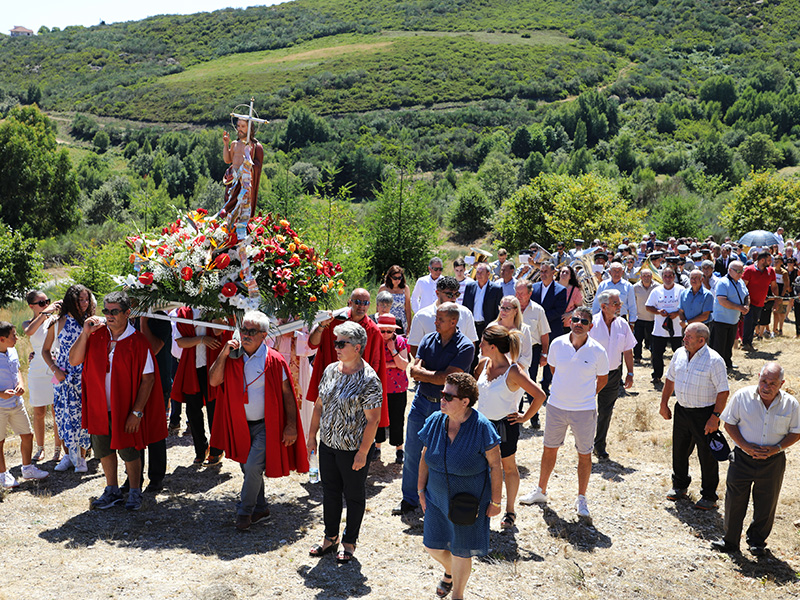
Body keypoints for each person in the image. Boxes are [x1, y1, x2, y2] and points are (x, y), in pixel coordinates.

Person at [209, 311, 307, 530]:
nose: (245, 335)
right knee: (247, 468)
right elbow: (214, 381)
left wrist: (291, 425)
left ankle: (244, 512)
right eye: (243, 329)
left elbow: (287, 394)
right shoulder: (233, 356)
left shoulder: (274, 360)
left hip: (266, 425)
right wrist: (224, 354)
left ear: (264, 335)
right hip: (240, 424)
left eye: (252, 331)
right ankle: (261, 507)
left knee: (253, 466)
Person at [70, 291, 167, 511]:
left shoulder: (138, 341)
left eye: (115, 311)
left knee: (129, 450)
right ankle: (112, 489)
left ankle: (134, 492)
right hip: (99, 406)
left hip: (125, 408)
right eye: (106, 311)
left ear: (127, 313)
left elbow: (148, 379)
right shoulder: (96, 336)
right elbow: (74, 359)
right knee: (103, 449)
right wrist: (84, 334)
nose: (110, 315)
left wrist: (137, 412)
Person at [519, 307, 609, 522]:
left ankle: (581, 498)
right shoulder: (558, 344)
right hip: (556, 407)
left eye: (583, 321)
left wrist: (585, 395)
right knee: (549, 449)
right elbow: (552, 369)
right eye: (575, 319)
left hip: (584, 410)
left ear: (591, 326)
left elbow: (602, 380)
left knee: (584, 454)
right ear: (569, 321)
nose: (578, 323)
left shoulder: (598, 351)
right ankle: (541, 490)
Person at [417, 372, 502, 600]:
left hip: (469, 501)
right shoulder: (435, 420)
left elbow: (496, 466)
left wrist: (496, 501)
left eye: (448, 395)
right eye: (442, 393)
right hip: (436, 497)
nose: (441, 398)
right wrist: (420, 490)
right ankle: (449, 571)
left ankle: (458, 595)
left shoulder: (482, 427)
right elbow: (424, 456)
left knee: (461, 550)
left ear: (465, 402)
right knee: (433, 546)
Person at [306, 321, 382, 564]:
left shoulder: (369, 379)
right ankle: (330, 538)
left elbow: (373, 420)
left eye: (342, 343)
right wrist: (311, 437)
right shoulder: (330, 370)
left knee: (354, 495)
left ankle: (349, 542)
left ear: (358, 347)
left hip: (352, 450)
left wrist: (363, 452)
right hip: (328, 445)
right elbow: (318, 405)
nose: (336, 347)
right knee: (329, 492)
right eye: (335, 342)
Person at [711, 363, 800, 556]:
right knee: (734, 500)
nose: (766, 387)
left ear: (782, 383)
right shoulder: (742, 397)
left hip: (773, 462)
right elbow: (729, 424)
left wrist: (776, 448)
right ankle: (730, 541)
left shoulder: (791, 404)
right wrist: (744, 445)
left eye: (772, 383)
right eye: (763, 381)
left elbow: (796, 432)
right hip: (742, 458)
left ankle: (757, 542)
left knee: (767, 503)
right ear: (758, 377)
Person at [394, 303, 475, 516]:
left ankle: (436, 500)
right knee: (412, 450)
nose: (435, 322)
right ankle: (409, 499)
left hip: (446, 408)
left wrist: (426, 375)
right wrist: (431, 375)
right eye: (436, 318)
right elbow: (414, 369)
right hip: (421, 402)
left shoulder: (466, 347)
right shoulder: (428, 339)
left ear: (453, 322)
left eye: (440, 319)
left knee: (442, 454)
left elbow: (447, 379)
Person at [474, 326, 546, 530]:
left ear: (494, 347)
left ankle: (510, 510)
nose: (480, 346)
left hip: (504, 427)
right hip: (481, 425)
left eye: (483, 343)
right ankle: (484, 506)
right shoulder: (483, 363)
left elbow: (539, 395)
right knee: (481, 468)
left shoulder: (513, 371)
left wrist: (524, 417)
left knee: (508, 467)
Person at [659, 323, 729, 511]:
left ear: (701, 340)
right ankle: (680, 486)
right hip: (682, 411)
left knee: (707, 455)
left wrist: (714, 417)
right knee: (679, 451)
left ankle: (709, 496)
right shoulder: (679, 354)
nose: (684, 339)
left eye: (688, 336)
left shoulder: (714, 360)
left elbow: (723, 392)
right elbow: (670, 379)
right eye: (685, 335)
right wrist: (664, 403)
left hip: (704, 414)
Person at [308, 289, 389, 437]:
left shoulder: (373, 330)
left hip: (356, 391)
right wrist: (321, 325)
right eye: (357, 302)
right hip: (333, 384)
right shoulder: (335, 323)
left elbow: (376, 364)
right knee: (330, 427)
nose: (361, 306)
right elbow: (312, 344)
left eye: (365, 303)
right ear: (350, 302)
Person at [41, 284, 94, 473]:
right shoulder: (58, 322)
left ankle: (81, 457)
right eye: (80, 299)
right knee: (64, 417)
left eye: (86, 299)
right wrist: (55, 369)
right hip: (64, 376)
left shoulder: (91, 321)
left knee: (82, 418)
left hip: (86, 376)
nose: (85, 303)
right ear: (71, 300)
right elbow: (44, 350)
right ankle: (68, 455)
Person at [170, 306, 224, 466]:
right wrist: (202, 340)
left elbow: (218, 331)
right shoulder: (181, 313)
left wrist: (214, 308)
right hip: (191, 366)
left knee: (214, 408)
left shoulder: (215, 307)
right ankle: (201, 449)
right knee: (193, 410)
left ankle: (217, 450)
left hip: (213, 364)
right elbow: (180, 342)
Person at [0, 321, 49, 487]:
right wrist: (1, 394)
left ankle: (27, 469)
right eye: (13, 335)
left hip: (17, 403)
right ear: (1, 339)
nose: (16, 338)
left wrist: (21, 384)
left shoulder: (12, 351)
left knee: (27, 435)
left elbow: (18, 370)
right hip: (0, 407)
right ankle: (2, 475)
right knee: (0, 441)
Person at [589, 290, 636, 461]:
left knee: (606, 411)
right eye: (616, 304)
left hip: (613, 374)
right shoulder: (591, 324)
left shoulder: (622, 324)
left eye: (620, 303)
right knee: (587, 410)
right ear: (603, 306)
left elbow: (628, 350)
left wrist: (630, 373)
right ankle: (585, 443)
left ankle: (599, 445)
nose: (619, 306)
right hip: (591, 374)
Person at [22, 291, 62, 462]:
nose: (46, 305)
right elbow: (30, 332)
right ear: (31, 306)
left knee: (56, 410)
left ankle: (58, 448)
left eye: (47, 301)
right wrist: (46, 312)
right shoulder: (28, 322)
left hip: (55, 366)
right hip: (38, 369)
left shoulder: (55, 320)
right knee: (39, 411)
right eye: (41, 303)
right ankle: (40, 448)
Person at [407, 276, 479, 357]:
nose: (454, 298)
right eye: (449, 294)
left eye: (457, 294)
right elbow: (414, 347)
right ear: (437, 293)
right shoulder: (421, 316)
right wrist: (427, 366)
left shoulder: (465, 313)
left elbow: (471, 343)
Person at [376, 315, 410, 464]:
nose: (385, 335)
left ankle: (399, 448)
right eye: (382, 331)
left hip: (397, 388)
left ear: (394, 331)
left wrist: (393, 351)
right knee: (377, 418)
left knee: (397, 418)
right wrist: (392, 364)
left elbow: (403, 365)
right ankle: (377, 447)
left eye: (388, 331)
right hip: (379, 387)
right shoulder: (374, 341)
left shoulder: (400, 342)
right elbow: (373, 364)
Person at [531, 261, 567, 395]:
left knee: (550, 357)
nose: (543, 274)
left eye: (546, 271)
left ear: (553, 273)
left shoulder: (560, 290)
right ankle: (530, 384)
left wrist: (540, 317)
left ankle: (546, 384)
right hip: (535, 331)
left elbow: (559, 310)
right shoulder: (534, 288)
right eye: (541, 271)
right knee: (534, 357)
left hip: (552, 329)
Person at [645, 267, 684, 384]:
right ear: (662, 278)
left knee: (679, 354)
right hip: (659, 329)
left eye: (670, 276)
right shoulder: (656, 291)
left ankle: (679, 376)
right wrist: (658, 312)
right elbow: (648, 306)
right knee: (656, 354)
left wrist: (677, 313)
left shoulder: (681, 290)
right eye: (665, 276)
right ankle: (656, 375)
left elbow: (686, 306)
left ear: (674, 277)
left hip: (677, 330)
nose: (668, 278)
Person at [222, 116, 264, 219]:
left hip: (244, 183)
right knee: (229, 209)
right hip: (232, 181)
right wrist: (226, 144)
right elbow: (228, 160)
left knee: (242, 209)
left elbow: (258, 167)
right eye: (238, 126)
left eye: (243, 126)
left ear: (250, 128)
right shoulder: (234, 144)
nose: (239, 129)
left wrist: (247, 168)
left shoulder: (255, 146)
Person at [711, 261, 749, 371]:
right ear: (730, 270)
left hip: (733, 319)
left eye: (741, 271)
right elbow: (722, 301)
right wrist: (739, 307)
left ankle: (728, 363)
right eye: (737, 271)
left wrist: (746, 305)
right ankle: (716, 368)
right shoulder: (723, 282)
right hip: (721, 319)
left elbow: (747, 295)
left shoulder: (740, 282)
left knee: (729, 344)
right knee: (719, 346)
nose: (740, 273)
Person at [741, 251, 777, 351]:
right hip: (749, 303)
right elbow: (743, 287)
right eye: (769, 260)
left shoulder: (770, 271)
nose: (770, 262)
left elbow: (774, 286)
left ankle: (749, 343)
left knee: (754, 323)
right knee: (748, 322)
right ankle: (746, 343)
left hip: (761, 303)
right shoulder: (749, 270)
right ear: (762, 260)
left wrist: (775, 298)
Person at [462, 262, 503, 342]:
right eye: (477, 272)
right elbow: (465, 306)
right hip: (471, 326)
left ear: (488, 274)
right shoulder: (469, 287)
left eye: (481, 273)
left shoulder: (496, 289)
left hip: (487, 327)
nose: (478, 275)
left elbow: (498, 311)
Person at [378, 265, 412, 334]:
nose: (397, 280)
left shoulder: (405, 288)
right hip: (387, 319)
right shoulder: (383, 288)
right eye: (395, 278)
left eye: (399, 278)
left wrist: (409, 325)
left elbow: (408, 308)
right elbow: (378, 306)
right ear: (390, 277)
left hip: (401, 320)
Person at [632, 269, 656, 364]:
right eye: (644, 276)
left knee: (653, 339)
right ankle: (637, 357)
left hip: (653, 318)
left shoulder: (657, 287)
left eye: (648, 276)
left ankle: (654, 355)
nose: (646, 278)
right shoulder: (635, 287)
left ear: (652, 277)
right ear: (640, 277)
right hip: (639, 318)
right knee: (637, 339)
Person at [558, 265, 583, 329]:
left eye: (567, 273)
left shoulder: (575, 290)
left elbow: (580, 307)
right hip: (553, 323)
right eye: (562, 272)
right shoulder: (552, 287)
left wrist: (569, 314)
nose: (564, 274)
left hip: (568, 325)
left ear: (570, 277)